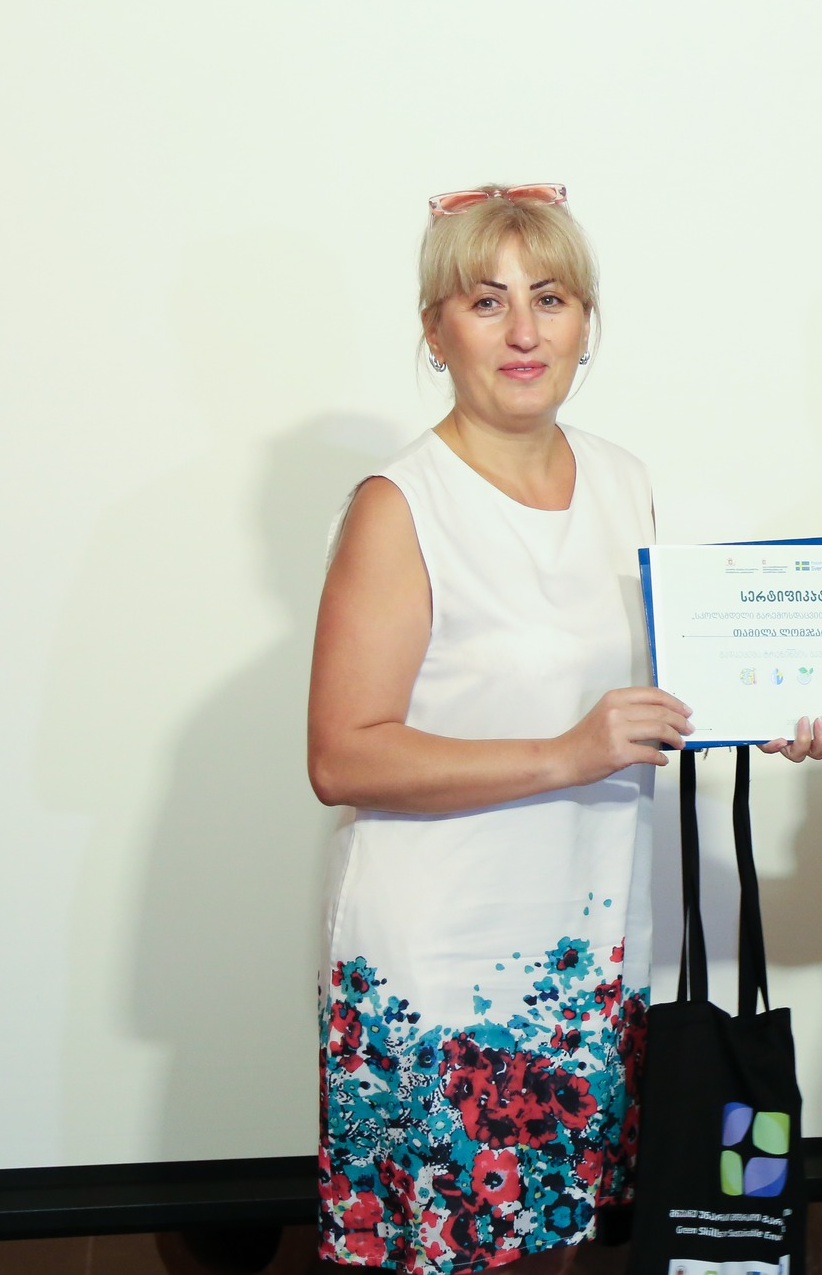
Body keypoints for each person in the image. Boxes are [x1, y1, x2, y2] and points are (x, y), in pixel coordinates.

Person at [307, 183, 692, 1274]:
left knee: (551, 1248)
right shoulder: (401, 503)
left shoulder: (624, 482)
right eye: (487, 302)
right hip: (443, 962)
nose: (525, 331)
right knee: (449, 1254)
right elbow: (341, 753)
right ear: (435, 332)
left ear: (585, 321)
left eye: (550, 298)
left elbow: (645, 696)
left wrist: (786, 711)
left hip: (584, 949)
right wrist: (564, 754)